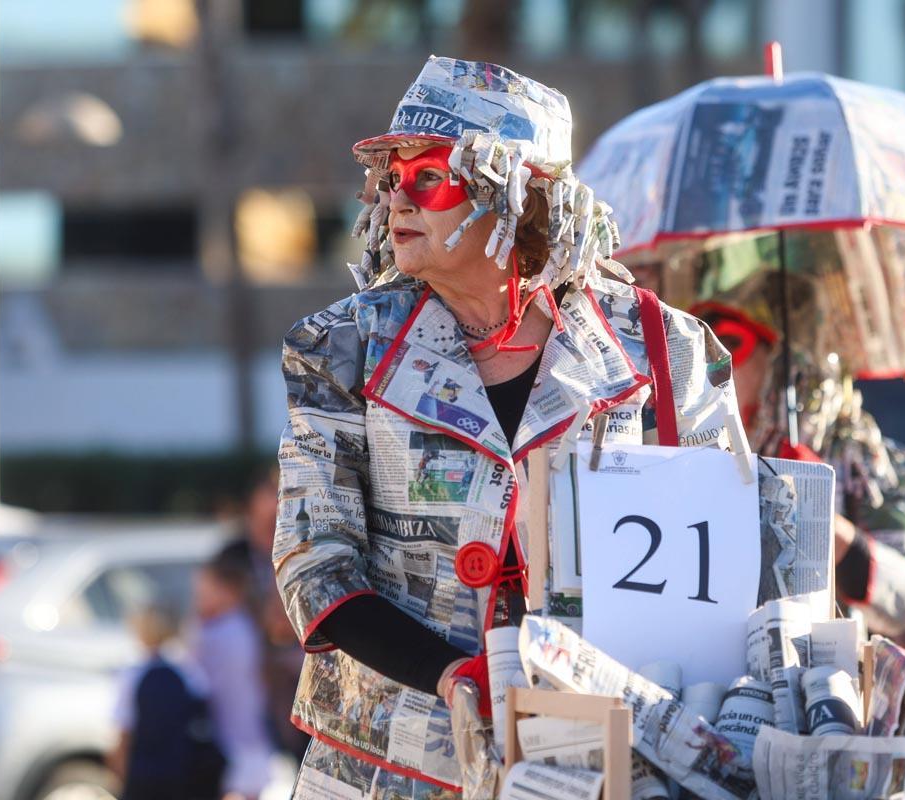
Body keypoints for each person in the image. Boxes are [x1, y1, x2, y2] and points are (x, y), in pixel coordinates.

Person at [273, 56, 747, 798]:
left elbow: (729, 572)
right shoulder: (339, 345)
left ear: (518, 196)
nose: (397, 198)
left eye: (429, 175)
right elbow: (314, 564)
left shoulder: (666, 347)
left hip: (592, 765)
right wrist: (450, 674)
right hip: (384, 775)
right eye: (391, 177)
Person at [678, 270, 905, 636]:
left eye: (732, 343)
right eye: (703, 348)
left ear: (789, 363)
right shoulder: (690, 455)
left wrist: (826, 524)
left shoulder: (877, 466)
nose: (715, 362)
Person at [216, 471, 310, 760]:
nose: (279, 505)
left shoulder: (303, 548)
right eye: (272, 493)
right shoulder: (233, 557)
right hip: (253, 677)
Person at [109, 604, 223, 800]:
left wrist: (120, 774)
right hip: (183, 774)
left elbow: (124, 732)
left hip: (144, 776)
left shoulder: (133, 674)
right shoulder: (189, 672)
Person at [192, 556, 273, 800]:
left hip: (232, 740)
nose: (198, 598)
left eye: (205, 591)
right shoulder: (241, 626)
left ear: (228, 591)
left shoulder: (221, 632)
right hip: (246, 735)